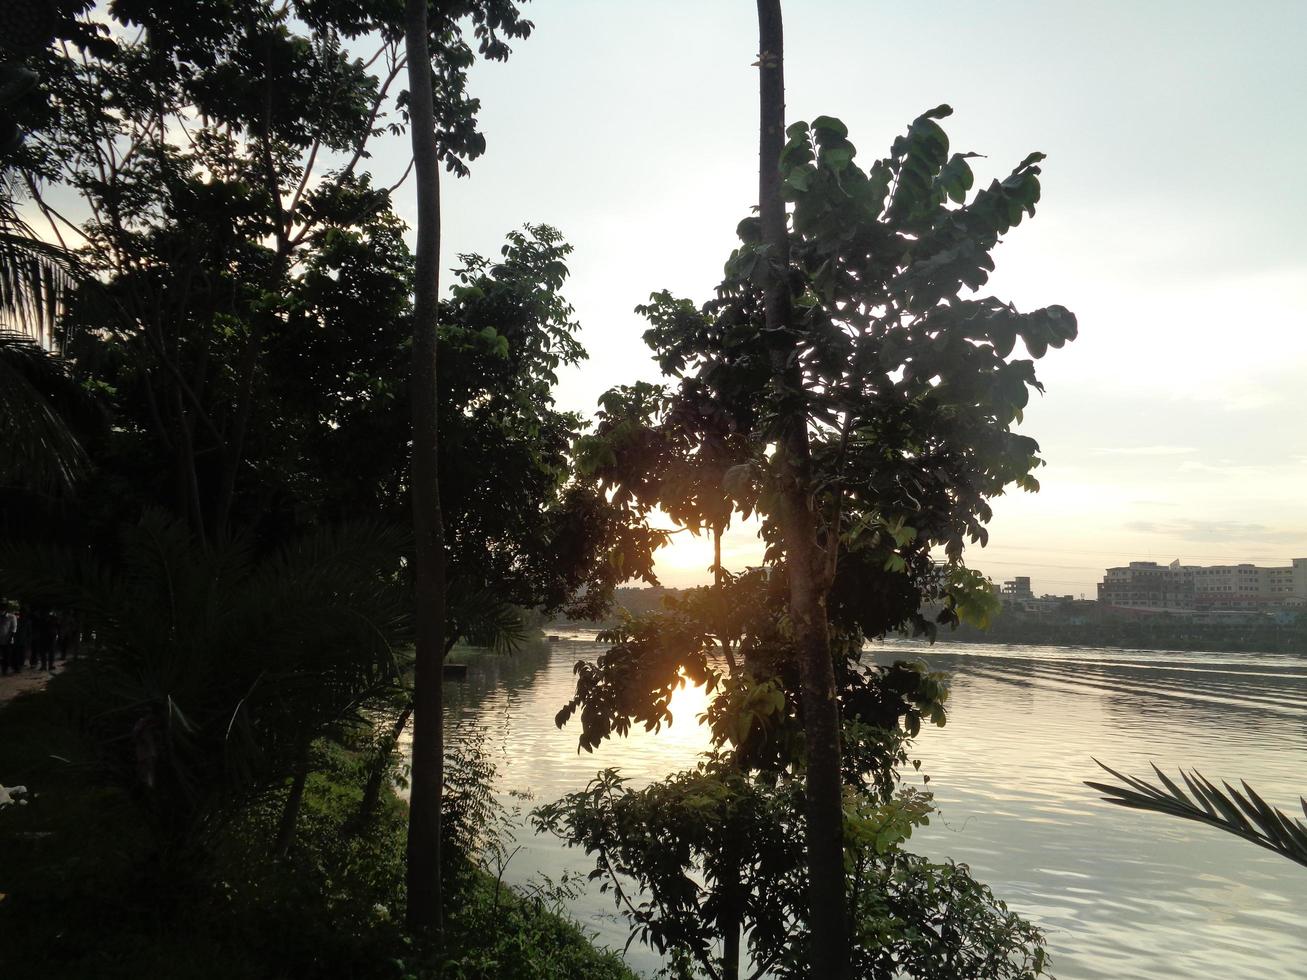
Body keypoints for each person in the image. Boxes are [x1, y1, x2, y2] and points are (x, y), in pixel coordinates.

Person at [0, 606, 17, 676]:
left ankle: (5, 670)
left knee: (6, 656)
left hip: (7, 640)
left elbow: (14, 629)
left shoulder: (11, 617)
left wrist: (10, 638)